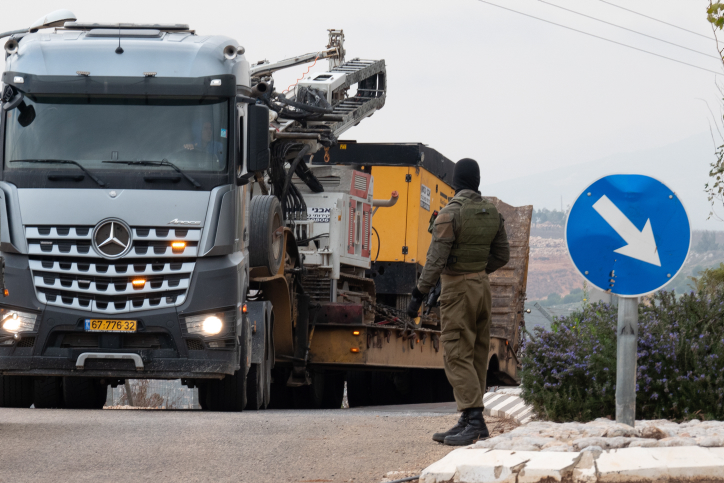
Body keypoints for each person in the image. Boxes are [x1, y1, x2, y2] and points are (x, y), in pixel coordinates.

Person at [406, 158, 510, 446]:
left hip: (457, 289)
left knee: (455, 352)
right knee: (477, 351)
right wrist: (478, 270)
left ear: (455, 182)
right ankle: (468, 417)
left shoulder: (450, 214)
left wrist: (417, 295)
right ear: (476, 181)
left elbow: (435, 260)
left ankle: (474, 420)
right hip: (482, 287)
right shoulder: (492, 213)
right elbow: (503, 256)